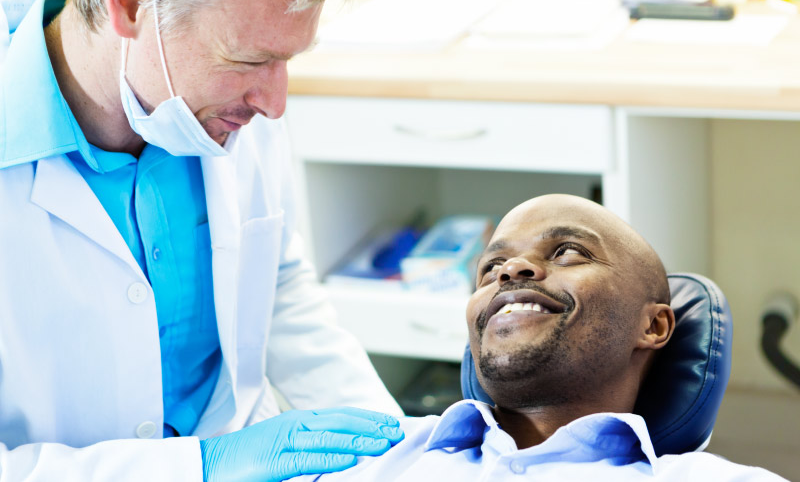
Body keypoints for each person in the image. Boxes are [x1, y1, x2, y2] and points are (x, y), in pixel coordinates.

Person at [0, 0, 405, 480]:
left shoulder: (224, 107)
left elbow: (274, 282)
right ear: (130, 6)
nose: (274, 103)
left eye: (286, 60)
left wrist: (392, 447)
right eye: (249, 60)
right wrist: (200, 467)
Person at [289, 194, 786, 481]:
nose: (512, 272)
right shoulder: (363, 456)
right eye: (490, 269)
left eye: (568, 252)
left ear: (653, 325)